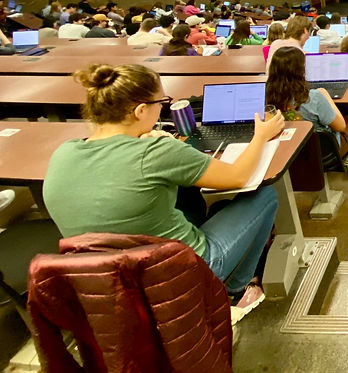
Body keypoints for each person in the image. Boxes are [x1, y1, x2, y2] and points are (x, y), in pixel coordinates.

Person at [43, 63, 284, 310]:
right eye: (161, 103)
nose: (162, 109)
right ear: (140, 111)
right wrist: (261, 136)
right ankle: (235, 290)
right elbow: (237, 177)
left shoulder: (64, 152)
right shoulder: (158, 152)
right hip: (180, 272)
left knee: (191, 200)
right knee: (264, 195)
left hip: (107, 281)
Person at [266, 47, 346, 142]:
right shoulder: (314, 97)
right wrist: (326, 96)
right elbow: (341, 126)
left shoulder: (266, 99)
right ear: (300, 71)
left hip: (286, 148)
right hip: (320, 151)